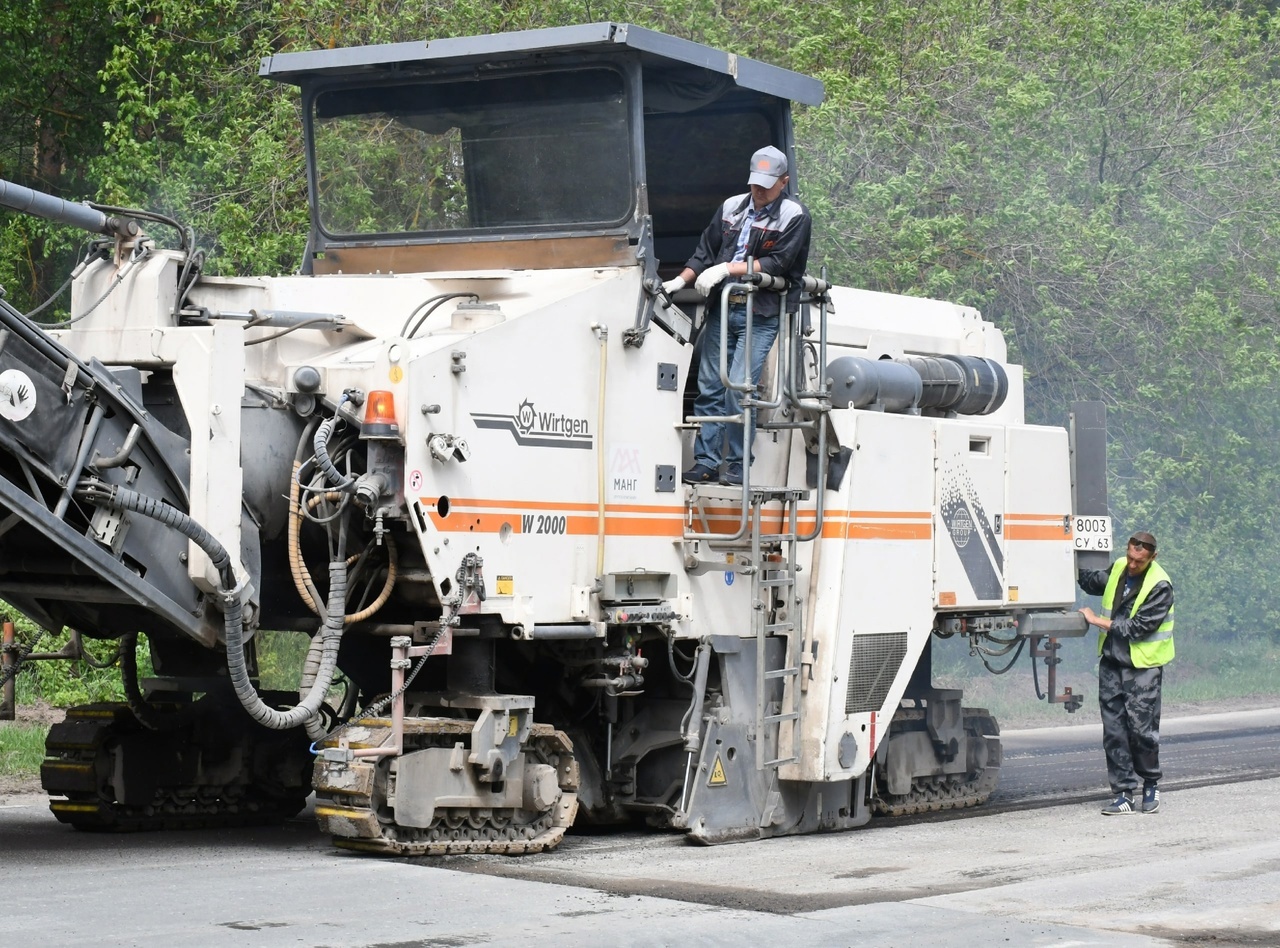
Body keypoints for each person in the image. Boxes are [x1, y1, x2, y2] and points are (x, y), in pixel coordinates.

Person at [662, 145, 812, 486]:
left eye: (766, 184)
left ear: (784, 182)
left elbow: (779, 264)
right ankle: (706, 462)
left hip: (760, 313)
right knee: (710, 386)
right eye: (754, 183)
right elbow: (706, 251)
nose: (758, 190)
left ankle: (736, 466)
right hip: (724, 310)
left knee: (740, 388)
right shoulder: (732, 208)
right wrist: (679, 281)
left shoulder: (794, 216)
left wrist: (726, 269)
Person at [1078, 530, 1175, 815]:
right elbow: (1094, 582)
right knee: (1114, 731)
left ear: (1152, 557)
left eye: (1139, 561)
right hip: (1111, 663)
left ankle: (1150, 784)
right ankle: (1123, 794)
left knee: (1141, 731)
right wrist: (1068, 556)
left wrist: (1096, 620)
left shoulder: (1160, 586)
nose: (1132, 564)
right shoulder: (1120, 567)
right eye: (1131, 557)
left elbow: (1136, 629)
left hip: (1142, 668)